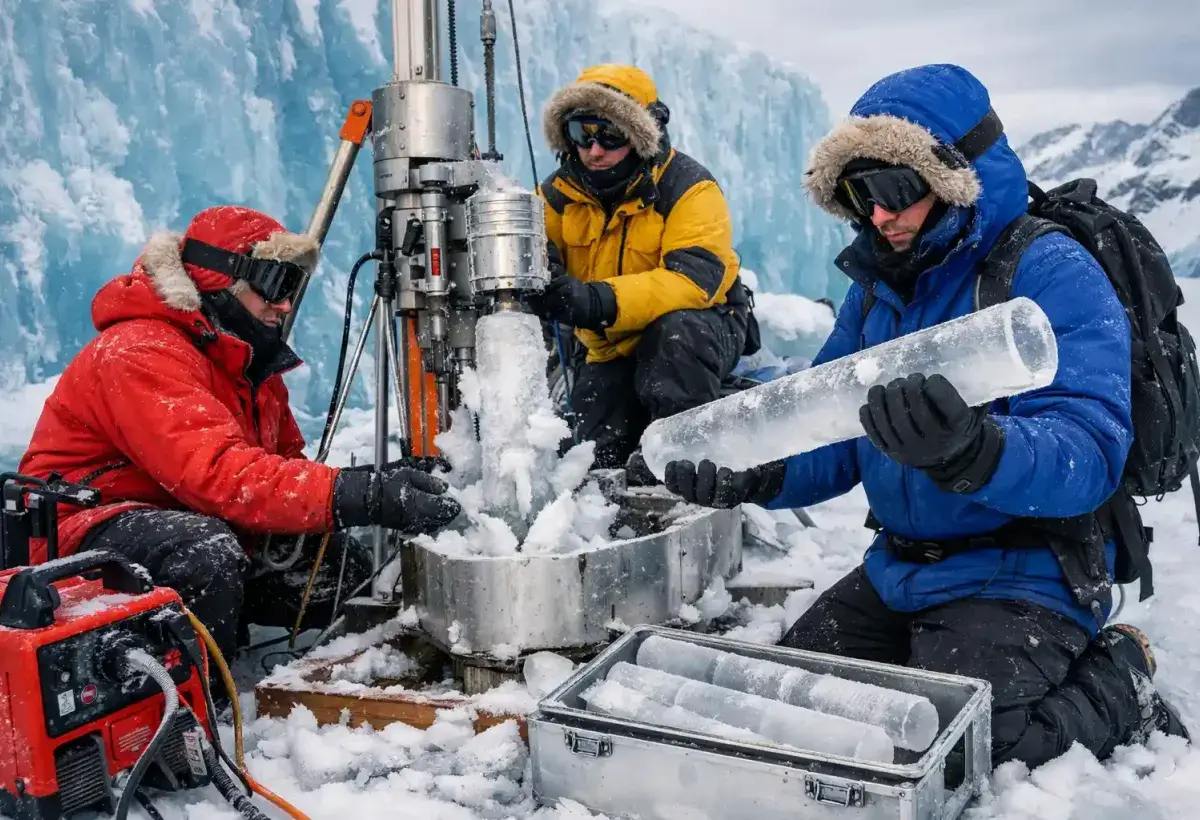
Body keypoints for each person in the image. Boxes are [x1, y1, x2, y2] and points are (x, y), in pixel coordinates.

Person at [663, 64, 1189, 768]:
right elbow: (831, 430)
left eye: (894, 190)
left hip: (1024, 573)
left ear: (952, 177)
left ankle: (1121, 673)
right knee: (786, 708)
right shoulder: (880, 290)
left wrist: (977, 450)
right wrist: (755, 473)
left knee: (972, 747)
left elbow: (1089, 452)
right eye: (858, 195)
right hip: (901, 568)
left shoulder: (1047, 270)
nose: (878, 216)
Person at [18, 205, 461, 660]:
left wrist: (374, 480)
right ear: (220, 281)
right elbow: (219, 474)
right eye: (275, 284)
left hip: (190, 516)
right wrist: (361, 495)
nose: (285, 304)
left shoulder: (245, 361)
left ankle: (228, 632)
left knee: (337, 567)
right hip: (82, 529)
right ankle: (196, 706)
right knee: (205, 553)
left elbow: (279, 469)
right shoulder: (140, 351)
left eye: (292, 286)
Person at [532, 64, 757, 478]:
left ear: (639, 135)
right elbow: (528, 262)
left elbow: (693, 283)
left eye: (610, 135)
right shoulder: (556, 197)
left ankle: (688, 464)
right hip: (610, 346)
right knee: (593, 460)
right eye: (583, 134)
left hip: (700, 328)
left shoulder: (689, 187)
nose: (594, 150)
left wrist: (597, 299)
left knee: (676, 335)